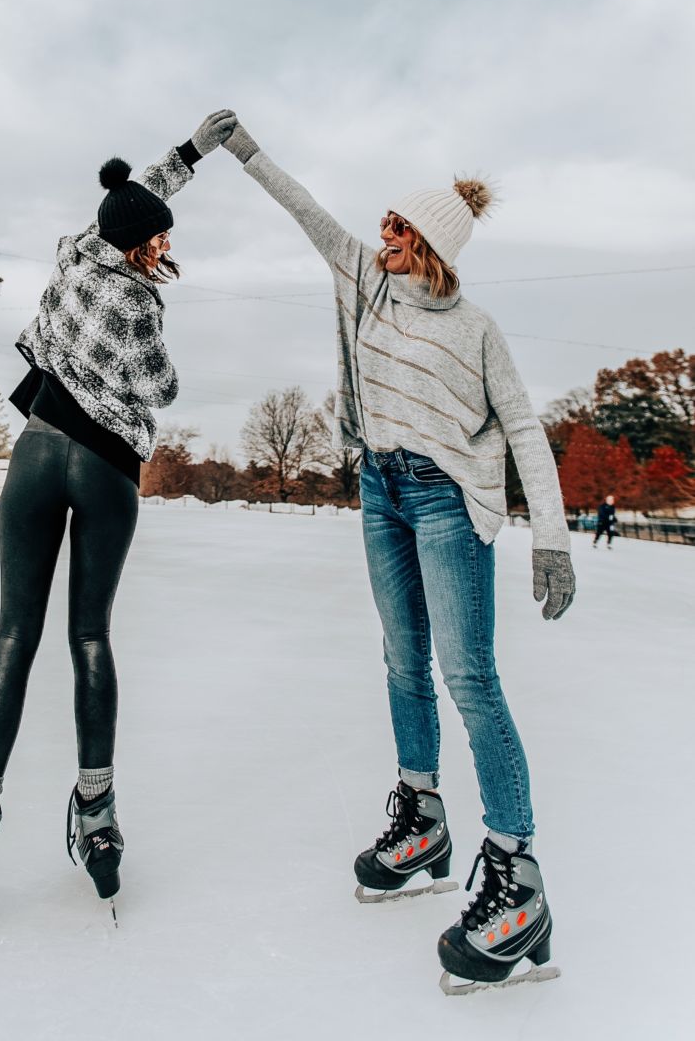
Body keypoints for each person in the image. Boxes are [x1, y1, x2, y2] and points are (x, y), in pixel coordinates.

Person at [220, 118, 575, 992]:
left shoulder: (478, 329)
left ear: (429, 247)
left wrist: (554, 537)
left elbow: (523, 426)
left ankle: (517, 877)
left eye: (395, 230)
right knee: (399, 662)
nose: (379, 237)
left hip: (447, 501)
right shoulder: (362, 285)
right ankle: (423, 821)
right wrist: (245, 151)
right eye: (380, 225)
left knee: (469, 677)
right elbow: (308, 213)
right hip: (379, 490)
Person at [0, 111, 235, 944]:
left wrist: (188, 154)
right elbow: (160, 388)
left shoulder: (73, 250)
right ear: (140, 244)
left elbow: (134, 195)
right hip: (107, 468)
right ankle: (97, 814)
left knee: (14, 634)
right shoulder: (137, 305)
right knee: (90, 638)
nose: (163, 244)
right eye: (156, 241)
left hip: (39, 451)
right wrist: (153, 294)